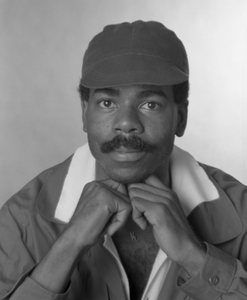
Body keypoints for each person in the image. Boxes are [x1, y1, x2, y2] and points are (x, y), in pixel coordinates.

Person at [0, 20, 246, 300]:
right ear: (84, 112)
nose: (126, 123)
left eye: (149, 104)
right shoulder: (21, 220)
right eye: (107, 102)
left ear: (181, 117)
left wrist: (194, 256)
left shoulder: (242, 213)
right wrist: (69, 245)